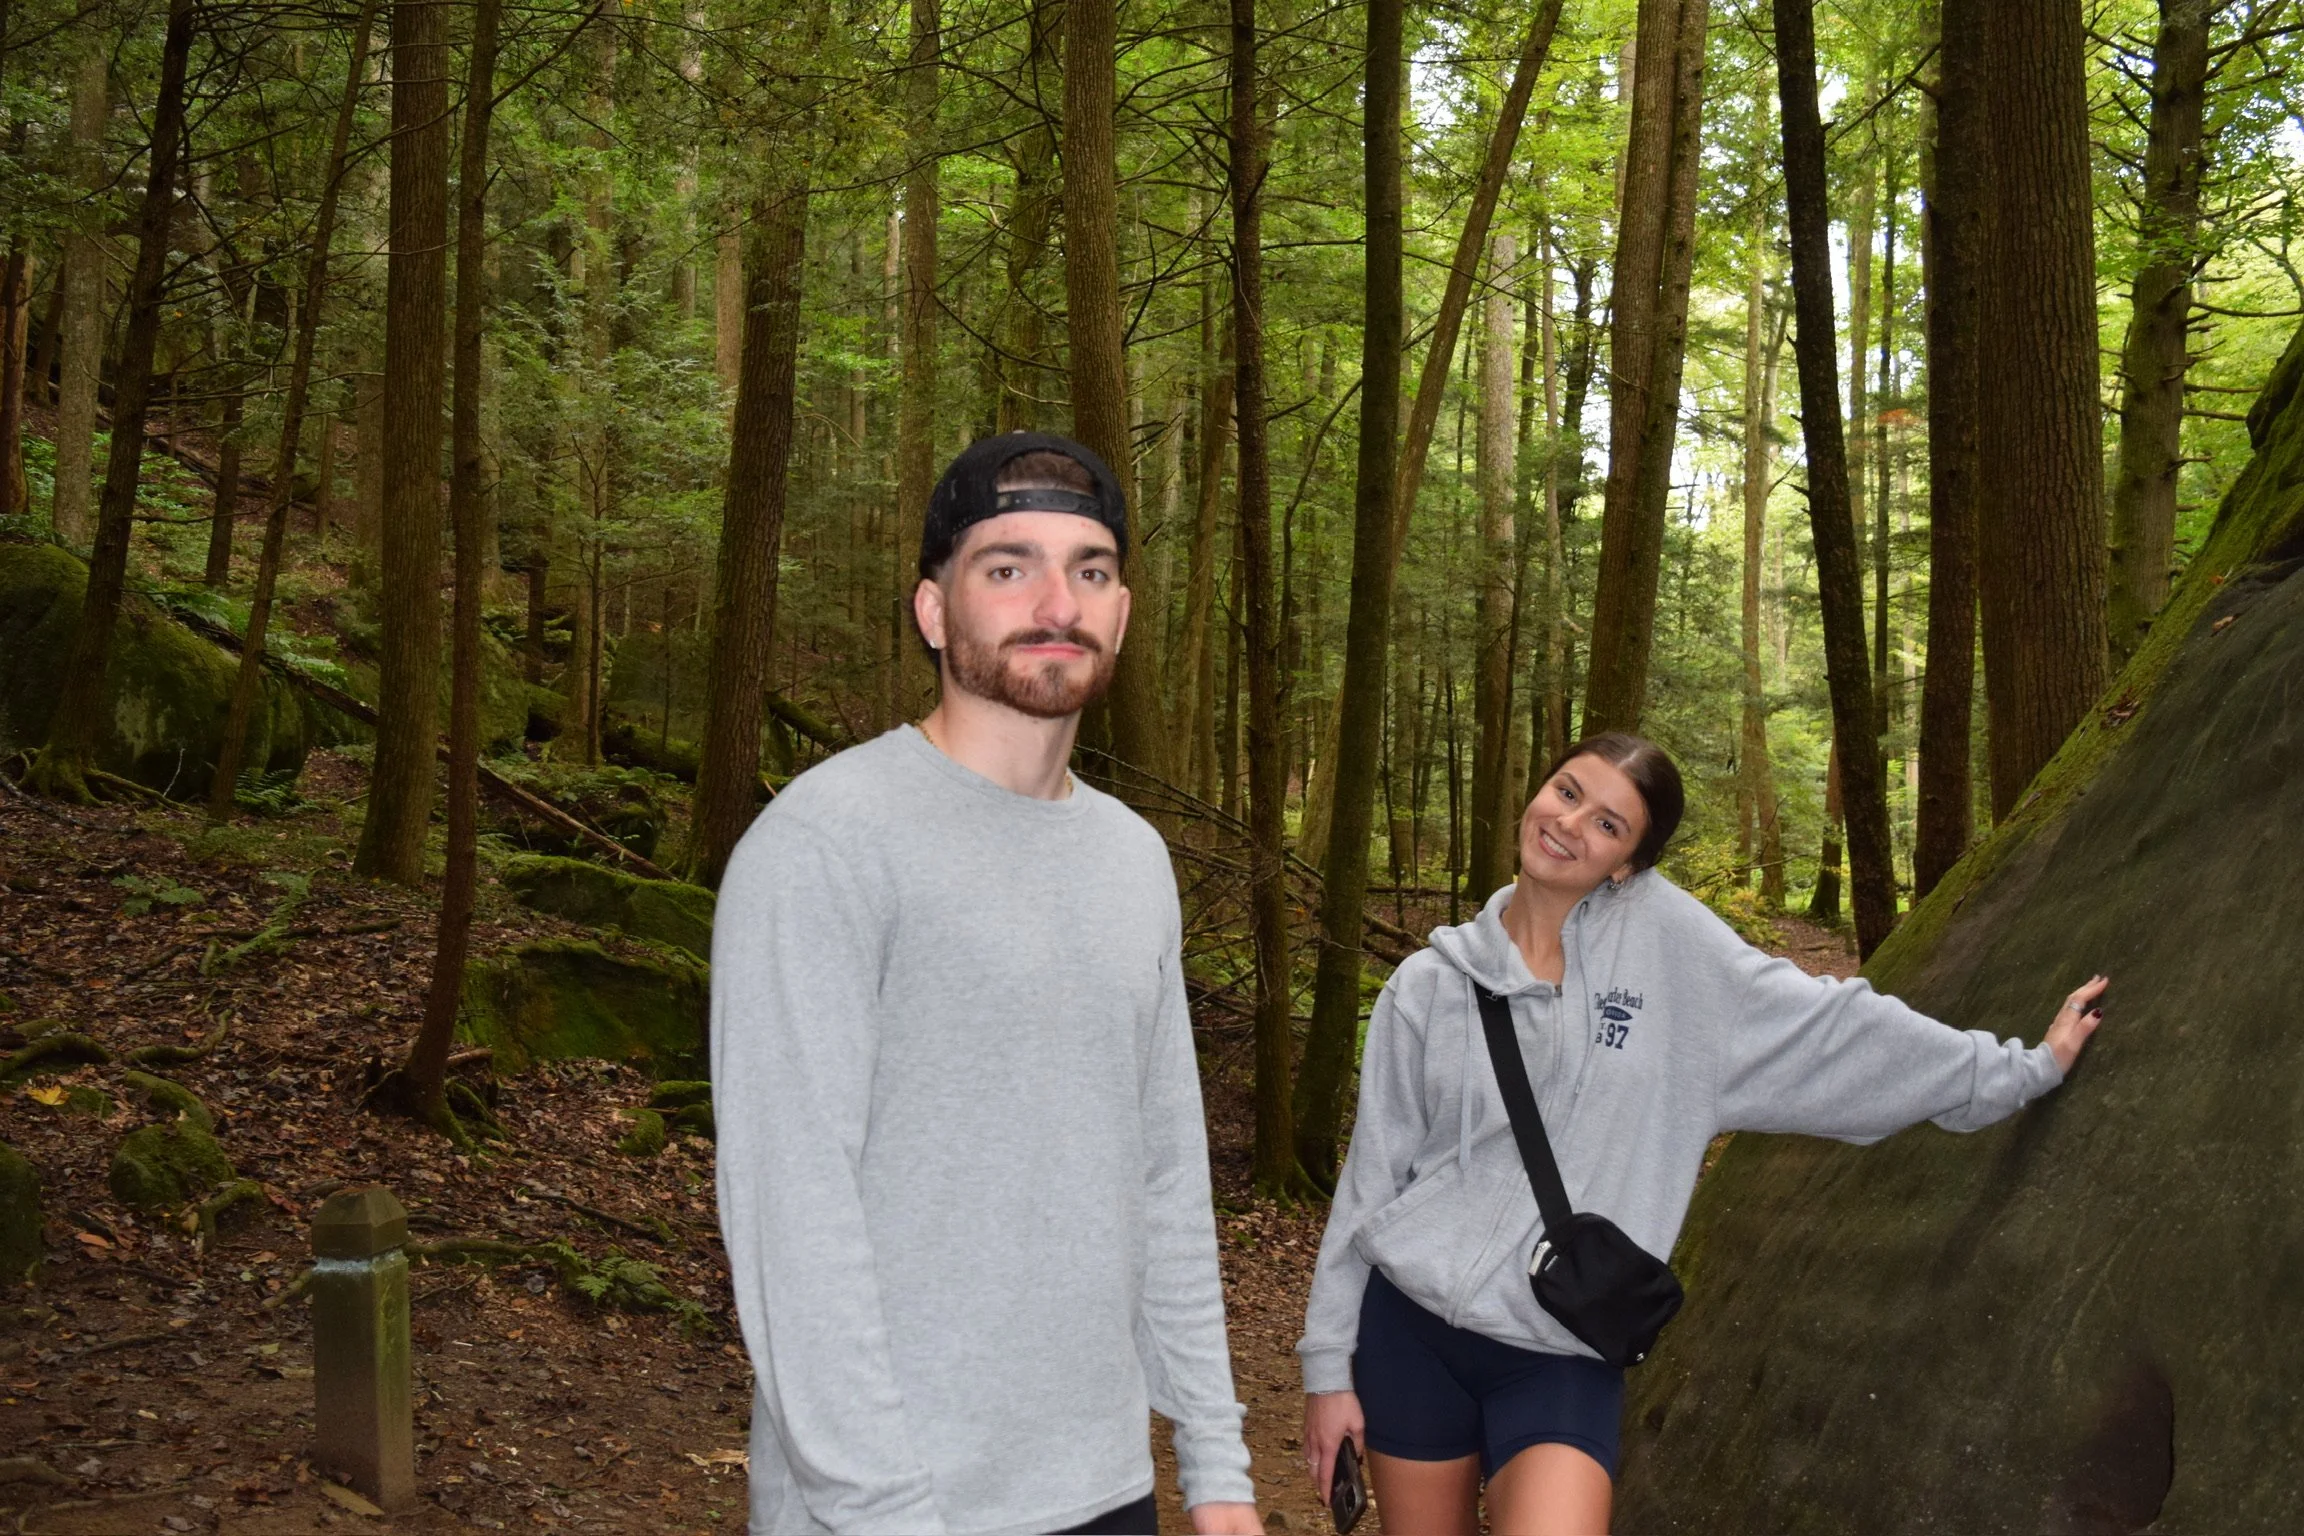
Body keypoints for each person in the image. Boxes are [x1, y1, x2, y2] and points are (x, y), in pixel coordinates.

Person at [1296, 732, 2106, 1535]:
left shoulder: (1675, 957)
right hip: (1410, 1335)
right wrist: (1327, 1370)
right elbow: (1371, 1181)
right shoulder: (1426, 986)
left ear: (1628, 863)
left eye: (1608, 823)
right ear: (1537, 792)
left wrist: (2016, 1070)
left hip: (1562, 1344)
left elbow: (1834, 1028)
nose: (1570, 824)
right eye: (1567, 792)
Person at [712, 432, 1263, 1536]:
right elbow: (790, 1216)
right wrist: (882, 1511)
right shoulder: (825, 843)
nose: (1057, 602)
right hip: (887, 1505)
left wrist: (1216, 1466)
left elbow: (1164, 1181)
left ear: (1121, 614)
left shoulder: (1133, 859)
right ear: (933, 610)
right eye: (1008, 567)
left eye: (1091, 570)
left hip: (1104, 1486)